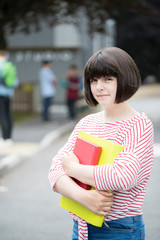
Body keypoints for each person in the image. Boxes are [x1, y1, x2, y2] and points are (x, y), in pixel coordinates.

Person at [48, 47, 154, 240]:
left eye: (108, 79)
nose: (99, 87)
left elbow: (122, 177)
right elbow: (55, 171)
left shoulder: (138, 125)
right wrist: (84, 198)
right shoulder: (86, 123)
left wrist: (73, 168)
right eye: (93, 80)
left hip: (118, 229)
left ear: (125, 79)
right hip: (80, 226)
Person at [0, 50, 18, 147]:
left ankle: (4, 138)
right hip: (9, 94)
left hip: (0, 94)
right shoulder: (11, 66)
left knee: (2, 116)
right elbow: (15, 82)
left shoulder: (0, 66)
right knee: (8, 115)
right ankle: (9, 138)